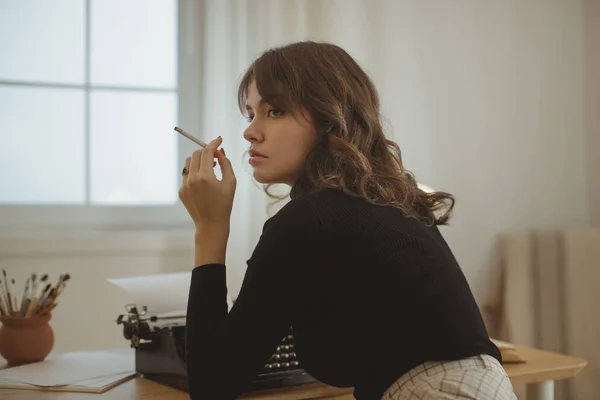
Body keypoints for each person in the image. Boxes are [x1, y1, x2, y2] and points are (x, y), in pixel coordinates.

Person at [178, 41, 517, 400]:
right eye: (251, 115)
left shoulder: (309, 220)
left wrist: (210, 228)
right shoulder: (386, 202)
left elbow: (212, 385)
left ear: (330, 119)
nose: (251, 132)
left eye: (274, 111)